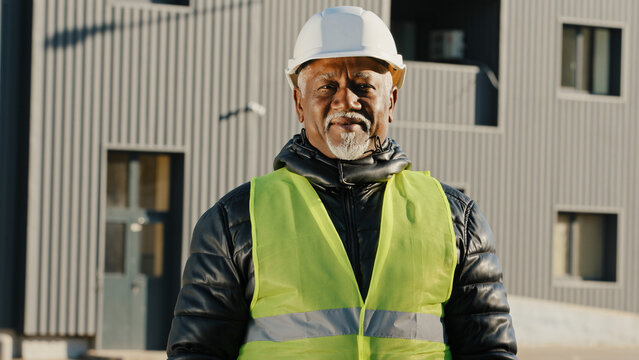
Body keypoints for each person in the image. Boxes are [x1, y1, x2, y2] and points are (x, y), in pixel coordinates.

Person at [167, 6, 517, 360]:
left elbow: (490, 351)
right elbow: (196, 352)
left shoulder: (458, 220)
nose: (346, 100)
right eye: (327, 86)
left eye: (364, 86)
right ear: (299, 103)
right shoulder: (234, 221)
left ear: (391, 100)